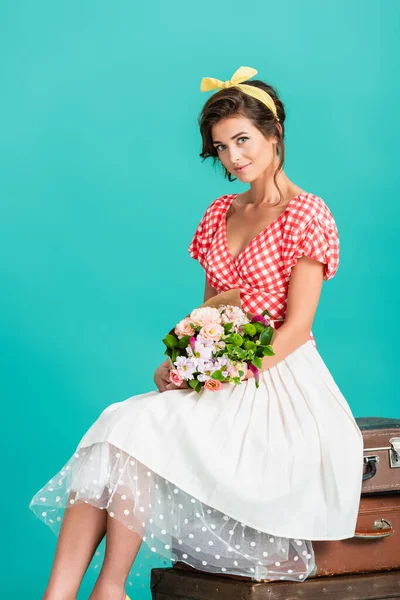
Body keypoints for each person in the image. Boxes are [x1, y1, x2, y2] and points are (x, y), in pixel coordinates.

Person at [29, 66, 364, 600]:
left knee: (131, 427)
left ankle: (110, 587)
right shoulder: (217, 213)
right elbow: (213, 309)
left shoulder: (307, 213)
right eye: (221, 147)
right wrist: (183, 357)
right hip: (219, 369)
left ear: (274, 132)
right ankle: (64, 595)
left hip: (276, 379)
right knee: (118, 426)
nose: (234, 157)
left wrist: (225, 372)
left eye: (243, 140)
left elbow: (298, 328)